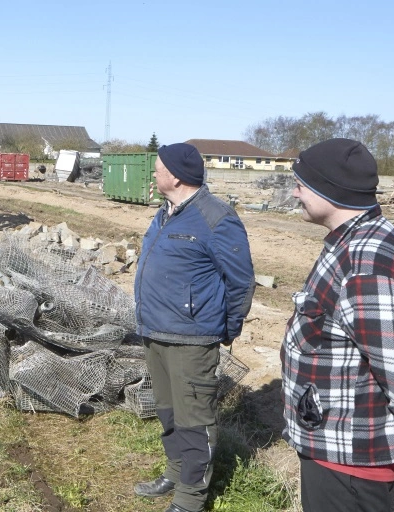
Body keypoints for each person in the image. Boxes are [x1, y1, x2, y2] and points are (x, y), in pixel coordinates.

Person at [282, 138, 394, 512]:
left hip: (349, 458)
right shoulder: (350, 242)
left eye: (301, 185)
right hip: (334, 445)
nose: (295, 193)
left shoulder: (368, 264)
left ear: (329, 190)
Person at [133, 143, 255, 512]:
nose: (153, 174)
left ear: (176, 176)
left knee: (194, 421)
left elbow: (241, 282)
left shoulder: (216, 217)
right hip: (155, 331)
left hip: (191, 338)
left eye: (157, 169)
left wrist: (227, 328)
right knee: (168, 412)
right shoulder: (164, 213)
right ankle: (175, 470)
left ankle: (190, 499)